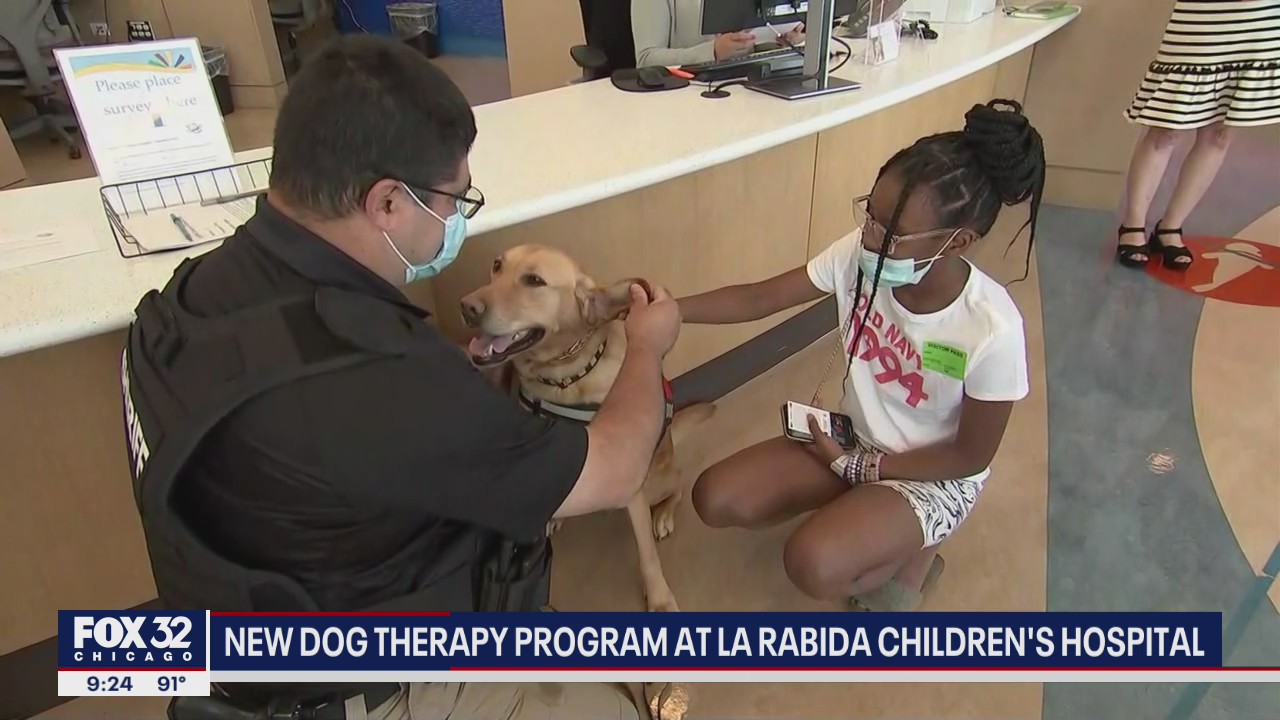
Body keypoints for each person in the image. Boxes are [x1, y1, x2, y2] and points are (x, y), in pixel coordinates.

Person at [122, 36, 680, 720]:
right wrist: (648, 349)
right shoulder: (387, 376)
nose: (454, 221)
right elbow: (618, 470)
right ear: (388, 203)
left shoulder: (180, 303)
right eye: (453, 199)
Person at [679, 100, 1046, 612]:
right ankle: (867, 517)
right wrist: (672, 310)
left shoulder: (992, 328)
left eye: (892, 235)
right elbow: (760, 298)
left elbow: (970, 456)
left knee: (812, 563)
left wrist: (862, 471)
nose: (870, 238)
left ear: (959, 241)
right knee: (713, 497)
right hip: (851, 439)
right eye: (870, 215)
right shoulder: (861, 252)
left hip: (932, 476)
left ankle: (918, 548)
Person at [1116, 0, 1280, 271]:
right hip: (1201, 18)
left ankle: (1171, 227)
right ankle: (1133, 224)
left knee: (1219, 134)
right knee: (1166, 128)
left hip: (1260, 22)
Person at [631, 0, 803, 66]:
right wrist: (712, 52)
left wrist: (783, 41)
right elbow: (647, 58)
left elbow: (753, 37)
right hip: (688, 99)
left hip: (748, 90)